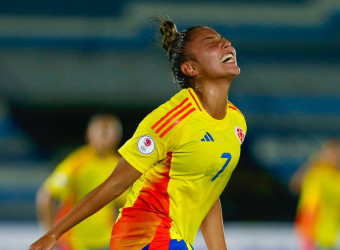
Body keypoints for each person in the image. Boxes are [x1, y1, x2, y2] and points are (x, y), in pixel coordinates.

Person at [30, 19, 247, 250]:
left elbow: (207, 192)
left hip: (171, 239)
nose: (226, 43)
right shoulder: (172, 120)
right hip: (143, 236)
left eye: (223, 38)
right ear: (191, 68)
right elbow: (115, 185)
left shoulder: (236, 122)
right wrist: (53, 234)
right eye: (211, 42)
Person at [36, 113, 126, 250]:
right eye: (102, 131)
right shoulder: (76, 164)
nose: (106, 136)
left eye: (110, 131)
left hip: (106, 240)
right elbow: (46, 196)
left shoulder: (119, 165)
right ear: (89, 134)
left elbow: (126, 204)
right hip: (74, 241)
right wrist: (49, 233)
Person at [290, 139, 340, 250]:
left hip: (330, 236)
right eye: (330, 153)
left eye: (337, 154)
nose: (333, 157)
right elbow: (294, 186)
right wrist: (309, 164)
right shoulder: (315, 171)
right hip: (308, 233)